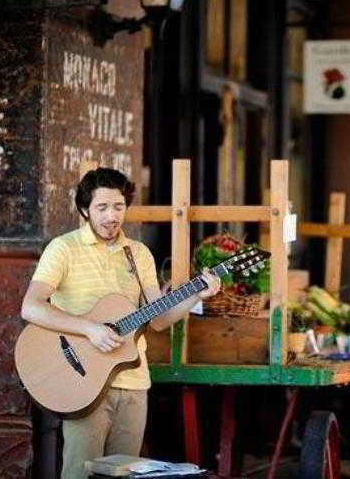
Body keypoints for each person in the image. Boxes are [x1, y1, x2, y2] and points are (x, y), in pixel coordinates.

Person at [20, 168, 221, 479]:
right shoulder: (64, 248)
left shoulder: (138, 254)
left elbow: (156, 319)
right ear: (85, 209)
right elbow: (31, 307)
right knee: (79, 473)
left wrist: (195, 296)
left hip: (134, 384)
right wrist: (90, 329)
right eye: (102, 208)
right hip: (82, 383)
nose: (112, 216)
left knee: (126, 474)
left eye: (118, 207)